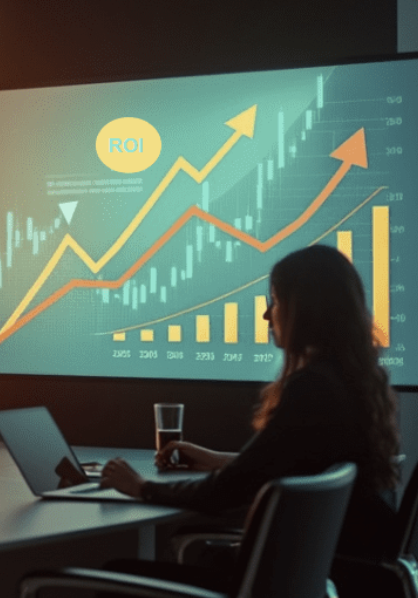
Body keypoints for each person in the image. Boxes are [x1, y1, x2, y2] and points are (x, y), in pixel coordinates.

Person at [100, 245, 400, 577]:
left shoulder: (312, 388)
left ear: (306, 310)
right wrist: (216, 459)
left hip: (287, 577)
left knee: (115, 571)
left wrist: (141, 487)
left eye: (276, 301)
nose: (267, 315)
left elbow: (226, 492)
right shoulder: (350, 382)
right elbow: (290, 466)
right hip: (321, 572)